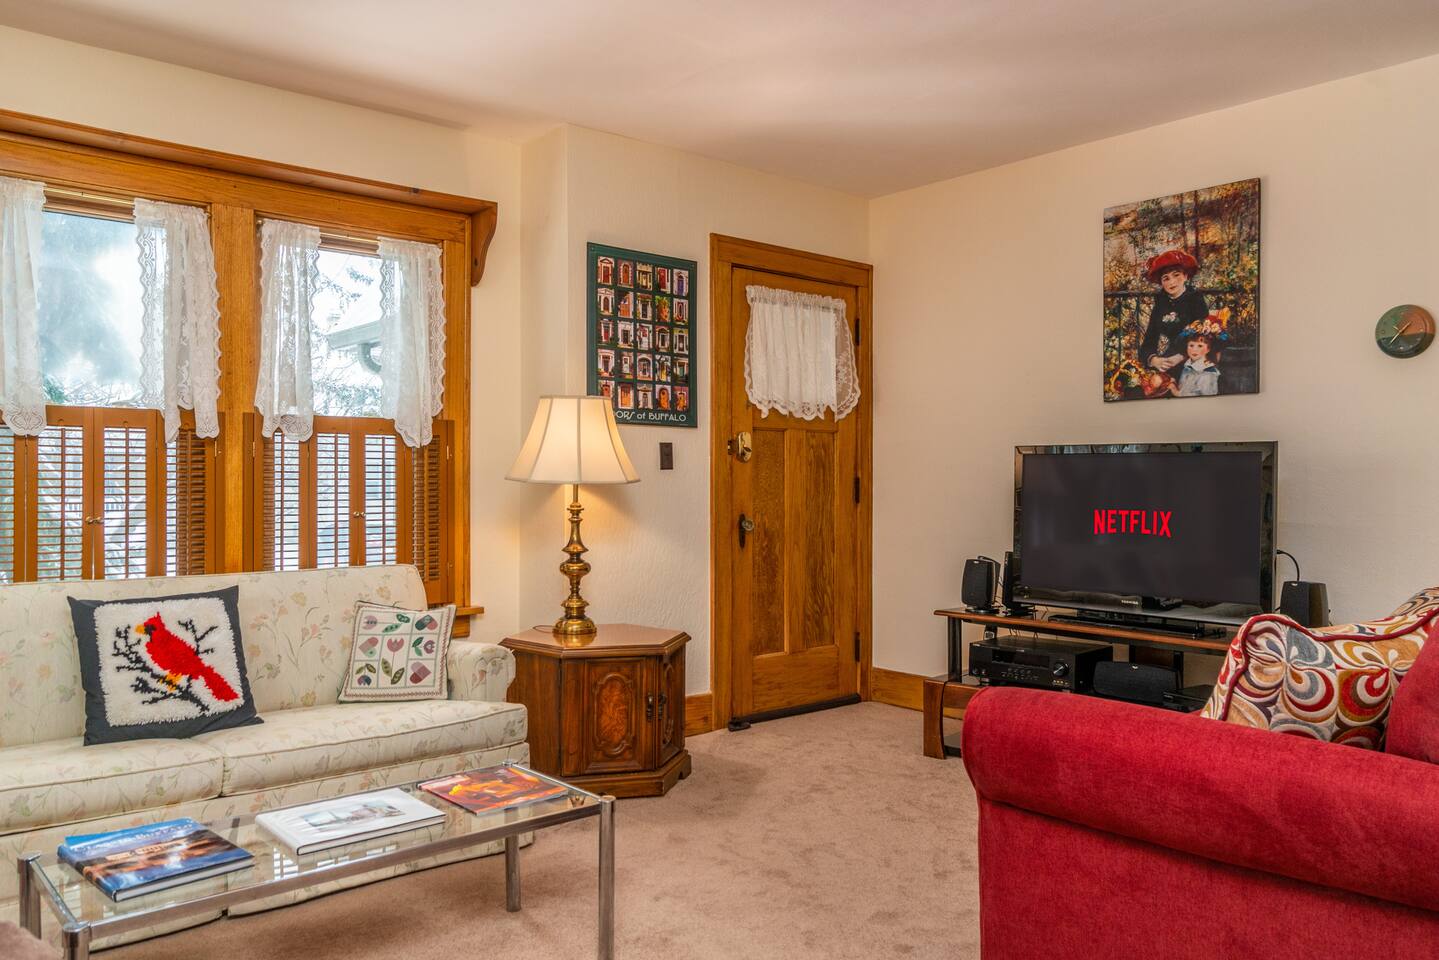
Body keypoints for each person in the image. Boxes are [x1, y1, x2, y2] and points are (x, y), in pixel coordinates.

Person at [1136, 249, 1210, 377]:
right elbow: (1150, 339)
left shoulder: (1195, 300)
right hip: (1164, 363)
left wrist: (1181, 356)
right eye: (1166, 278)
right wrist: (1154, 360)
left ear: (1185, 276)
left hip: (1190, 362)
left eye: (1176, 275)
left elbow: (1204, 338)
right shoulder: (1161, 303)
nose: (1171, 282)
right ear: (1161, 282)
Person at [1167, 310, 1230, 398]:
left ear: (1208, 349)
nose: (1194, 350)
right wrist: (1174, 383)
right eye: (1191, 345)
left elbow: (1204, 398)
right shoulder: (1187, 366)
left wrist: (1176, 393)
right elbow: (1186, 388)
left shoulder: (1208, 373)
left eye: (1200, 346)